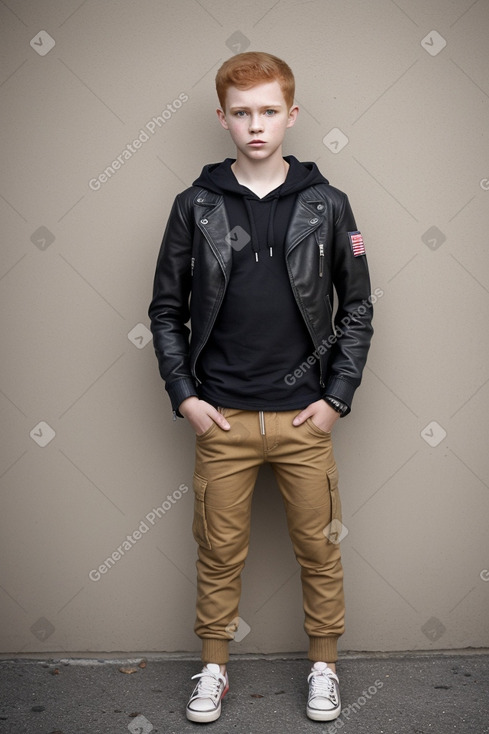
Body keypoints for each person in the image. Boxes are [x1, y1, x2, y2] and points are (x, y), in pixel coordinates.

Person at [148, 51, 373, 723]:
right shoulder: (194, 206)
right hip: (224, 417)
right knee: (217, 553)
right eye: (241, 113)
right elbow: (165, 310)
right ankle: (214, 669)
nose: (255, 125)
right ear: (222, 119)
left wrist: (334, 399)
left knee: (318, 550)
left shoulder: (327, 205)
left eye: (268, 112)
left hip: (305, 422)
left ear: (290, 116)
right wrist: (186, 397)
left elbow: (356, 307)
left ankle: (324, 669)